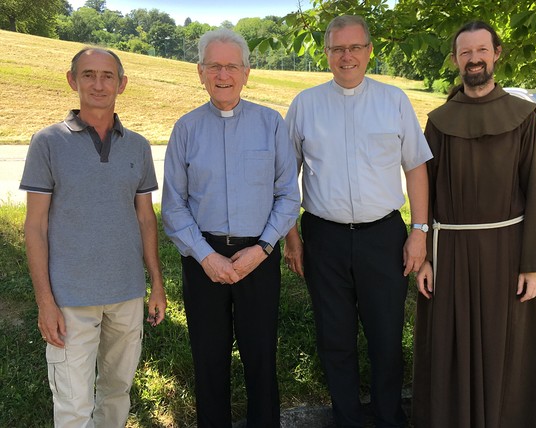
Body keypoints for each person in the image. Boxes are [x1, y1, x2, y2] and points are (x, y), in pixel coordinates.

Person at [284, 15, 432, 428]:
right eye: (337, 48)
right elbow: (284, 176)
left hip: (383, 236)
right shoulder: (305, 105)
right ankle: (346, 418)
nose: (346, 56)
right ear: (326, 54)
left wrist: (419, 232)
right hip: (322, 238)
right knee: (335, 338)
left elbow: (417, 168)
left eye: (354, 47)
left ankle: (389, 418)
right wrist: (291, 236)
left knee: (386, 337)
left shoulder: (394, 101)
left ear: (369, 51)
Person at [412, 21, 536, 428]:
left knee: (505, 344)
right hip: (450, 252)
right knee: (449, 345)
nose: (473, 59)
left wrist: (533, 264)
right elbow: (428, 194)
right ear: (456, 60)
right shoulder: (439, 120)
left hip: (507, 253)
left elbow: (534, 192)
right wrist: (424, 258)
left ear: (496, 54)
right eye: (465, 52)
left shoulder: (522, 116)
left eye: (481, 50)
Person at [161, 28, 300, 428]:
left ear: (247, 72)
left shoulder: (271, 124)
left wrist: (264, 248)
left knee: (261, 357)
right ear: (200, 72)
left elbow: (288, 196)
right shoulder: (186, 129)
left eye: (232, 66)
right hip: (202, 259)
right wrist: (205, 256)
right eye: (215, 66)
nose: (224, 75)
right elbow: (173, 205)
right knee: (209, 359)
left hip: (259, 255)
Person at [21, 48, 166, 427]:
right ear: (73, 80)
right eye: (88, 75)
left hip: (127, 294)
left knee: (117, 394)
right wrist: (45, 301)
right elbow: (34, 225)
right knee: (73, 406)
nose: (98, 84)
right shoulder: (48, 142)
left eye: (107, 75)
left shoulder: (138, 145)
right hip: (70, 300)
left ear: (122, 83)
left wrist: (156, 285)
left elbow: (145, 218)